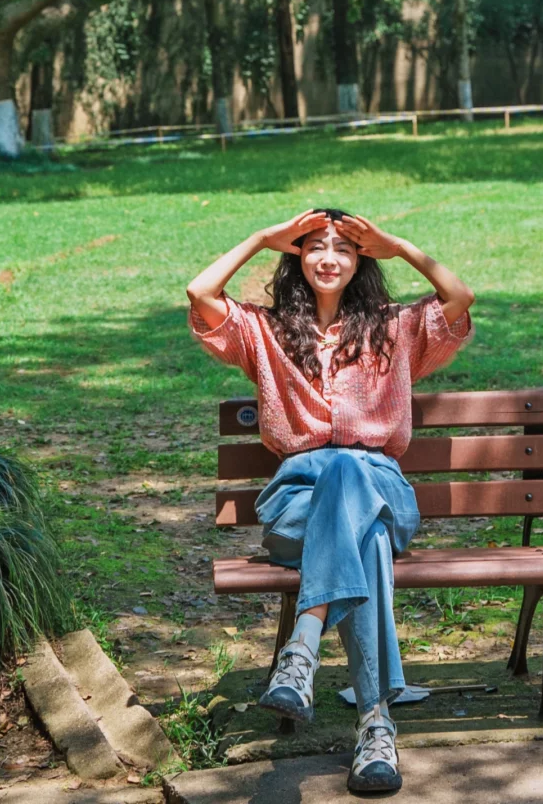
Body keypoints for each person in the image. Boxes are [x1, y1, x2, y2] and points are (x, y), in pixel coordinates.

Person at [186, 207, 475, 796]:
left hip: (379, 489)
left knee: (349, 467)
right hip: (299, 504)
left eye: (343, 248)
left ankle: (302, 651)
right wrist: (261, 237)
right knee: (362, 544)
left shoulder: (394, 328)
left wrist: (396, 245)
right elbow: (200, 291)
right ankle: (376, 728)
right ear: (297, 256)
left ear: (360, 261)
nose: (328, 258)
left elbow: (459, 296)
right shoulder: (265, 333)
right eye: (314, 246)